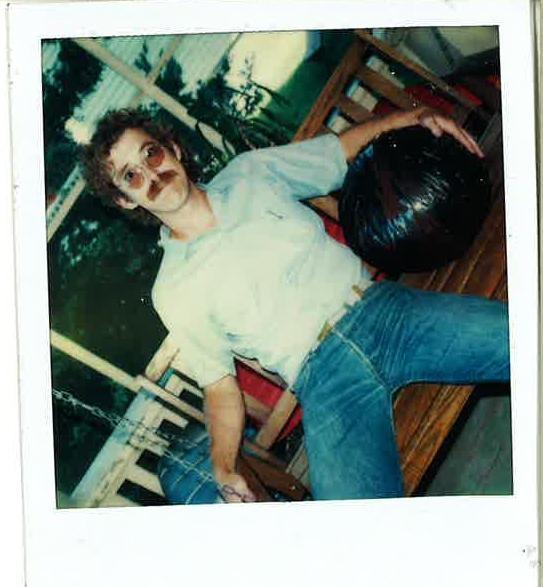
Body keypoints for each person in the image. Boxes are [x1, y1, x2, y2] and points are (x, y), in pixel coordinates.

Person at [81, 106, 509, 503]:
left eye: (151, 153)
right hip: (325, 382)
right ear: (125, 200)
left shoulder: (248, 174)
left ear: (171, 148)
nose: (151, 175)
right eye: (131, 176)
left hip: (384, 315)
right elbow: (219, 388)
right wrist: (224, 464)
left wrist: (414, 116)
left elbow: (337, 152)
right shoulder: (172, 291)